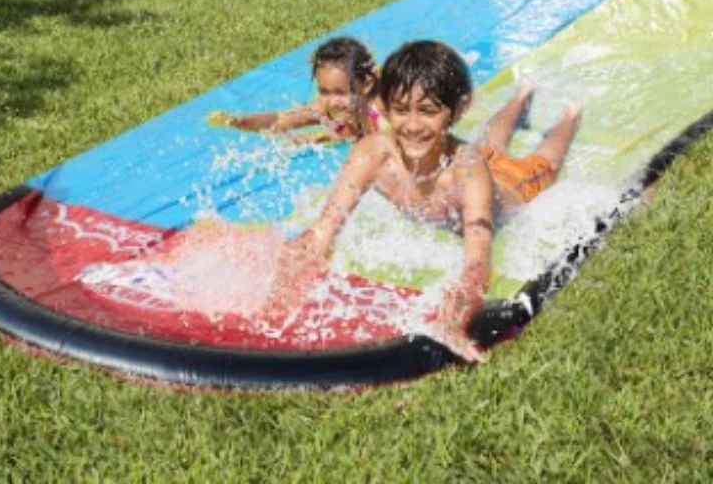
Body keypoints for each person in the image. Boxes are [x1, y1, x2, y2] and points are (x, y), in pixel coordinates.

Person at [263, 40, 582, 362]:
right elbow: (324, 229)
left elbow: (477, 261)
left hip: (511, 187)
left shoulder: (468, 173)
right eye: (401, 111)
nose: (413, 126)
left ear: (456, 111)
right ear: (385, 108)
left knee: (544, 164)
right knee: (490, 142)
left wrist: (456, 312)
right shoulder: (373, 154)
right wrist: (284, 288)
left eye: (428, 112)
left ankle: (571, 114)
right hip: (467, 159)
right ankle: (521, 96)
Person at [208, 36, 387, 144]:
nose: (331, 101)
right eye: (324, 91)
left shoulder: (387, 110)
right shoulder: (325, 108)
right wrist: (239, 121)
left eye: (340, 92)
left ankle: (334, 135)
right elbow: (279, 120)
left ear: (367, 85)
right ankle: (335, 135)